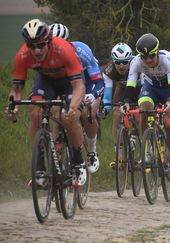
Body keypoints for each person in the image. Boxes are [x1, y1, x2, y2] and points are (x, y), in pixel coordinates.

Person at [4, 19, 86, 186]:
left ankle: (78, 162)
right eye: (31, 46)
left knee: (71, 117)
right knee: (35, 112)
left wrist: (72, 107)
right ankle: (40, 168)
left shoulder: (63, 49)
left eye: (40, 45)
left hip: (70, 82)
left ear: (48, 41)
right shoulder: (22, 55)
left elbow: (79, 86)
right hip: (46, 81)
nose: (36, 50)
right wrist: (13, 107)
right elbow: (17, 90)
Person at [123, 33, 170, 184]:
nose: (148, 60)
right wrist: (127, 103)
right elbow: (130, 84)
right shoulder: (136, 62)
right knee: (143, 110)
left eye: (151, 56)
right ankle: (147, 145)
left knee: (169, 124)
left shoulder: (166, 58)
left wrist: (169, 102)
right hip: (152, 88)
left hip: (169, 89)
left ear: (157, 52)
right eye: (144, 57)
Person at [49, 23, 104, 174]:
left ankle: (91, 150)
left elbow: (98, 80)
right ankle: (56, 160)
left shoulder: (81, 50)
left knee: (88, 113)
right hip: (66, 83)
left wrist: (93, 94)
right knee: (56, 114)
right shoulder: (47, 56)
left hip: (87, 81)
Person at [101, 43, 140, 168]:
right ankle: (119, 154)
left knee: (139, 114)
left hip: (139, 88)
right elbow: (107, 94)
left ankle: (135, 136)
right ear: (113, 61)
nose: (121, 65)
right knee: (117, 113)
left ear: (130, 60)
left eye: (124, 62)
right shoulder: (108, 70)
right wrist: (106, 108)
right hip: (122, 89)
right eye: (118, 62)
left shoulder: (138, 64)